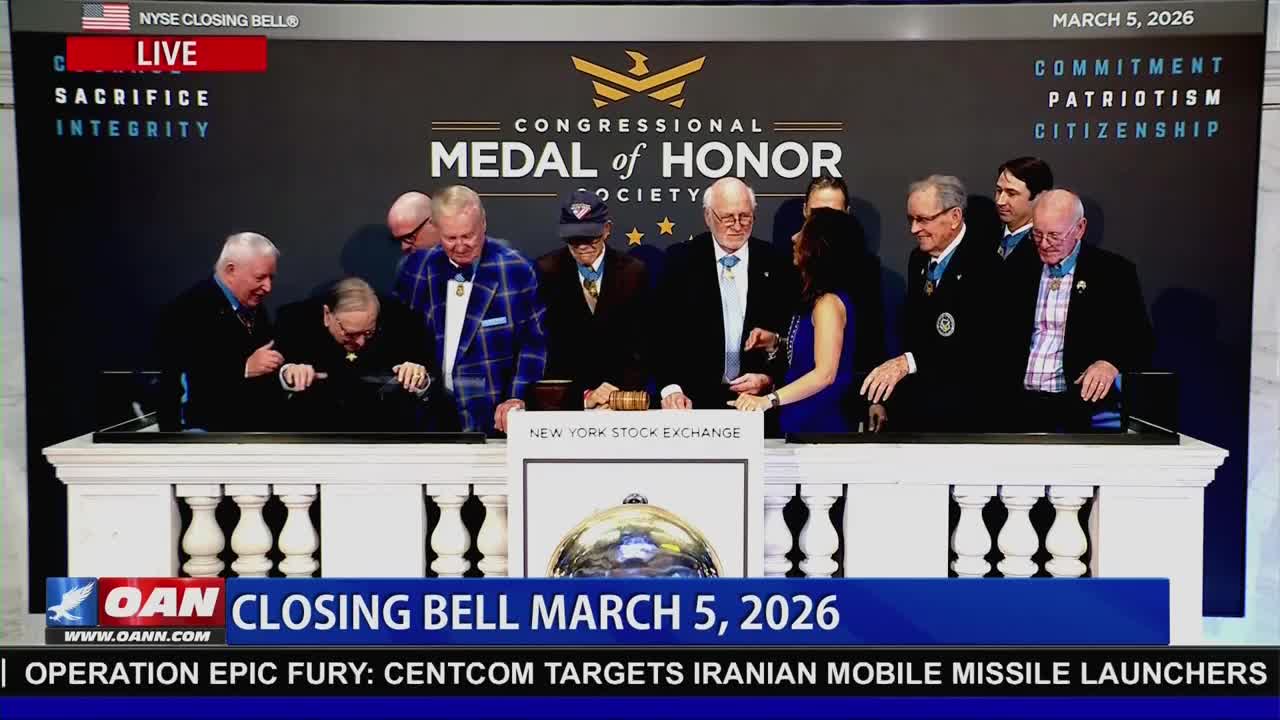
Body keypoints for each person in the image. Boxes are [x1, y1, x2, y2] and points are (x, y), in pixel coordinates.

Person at [393, 185, 547, 435]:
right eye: (450, 238)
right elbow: (402, 333)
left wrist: (517, 397)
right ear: (437, 230)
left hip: (494, 418)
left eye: (468, 236)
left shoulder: (516, 268)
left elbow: (534, 344)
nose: (460, 246)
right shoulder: (416, 268)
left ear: (483, 224)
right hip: (430, 416)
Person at [860, 175, 1002, 431]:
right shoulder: (918, 259)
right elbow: (914, 333)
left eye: (923, 219)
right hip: (918, 410)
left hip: (965, 417)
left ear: (955, 217)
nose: (914, 229)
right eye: (911, 219)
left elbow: (975, 346)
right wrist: (886, 400)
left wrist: (908, 362)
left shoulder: (986, 264)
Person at [1008, 189, 1154, 431]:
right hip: (1018, 405)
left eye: (1054, 236)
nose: (1044, 244)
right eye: (1037, 234)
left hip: (1079, 407)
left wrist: (1110, 363)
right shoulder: (1016, 268)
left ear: (1079, 228)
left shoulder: (1113, 273)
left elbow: (1140, 341)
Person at [654, 178, 794, 415]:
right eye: (728, 217)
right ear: (708, 217)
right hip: (693, 404)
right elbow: (660, 334)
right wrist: (671, 389)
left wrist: (768, 379)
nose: (737, 226)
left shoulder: (777, 263)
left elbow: (791, 339)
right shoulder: (680, 260)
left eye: (745, 217)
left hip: (757, 406)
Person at [729, 208, 858, 433]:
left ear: (819, 245)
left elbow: (825, 374)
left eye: (803, 232)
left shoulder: (828, 304)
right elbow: (810, 351)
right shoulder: (814, 299)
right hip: (799, 422)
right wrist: (775, 342)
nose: (794, 237)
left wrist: (768, 400)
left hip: (821, 428)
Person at [273, 277, 454, 431]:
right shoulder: (294, 324)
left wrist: (420, 379)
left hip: (385, 435)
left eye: (368, 332)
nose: (360, 342)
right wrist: (288, 374)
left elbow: (435, 387)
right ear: (328, 315)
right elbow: (268, 386)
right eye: (350, 334)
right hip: (314, 436)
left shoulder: (403, 325)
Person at [157, 232, 282, 431]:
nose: (268, 287)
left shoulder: (254, 306)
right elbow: (184, 381)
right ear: (231, 270)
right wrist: (244, 368)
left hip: (252, 431)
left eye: (271, 277)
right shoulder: (188, 311)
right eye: (260, 277)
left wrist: (285, 371)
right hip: (208, 435)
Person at [537, 191, 649, 409]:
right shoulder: (546, 272)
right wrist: (582, 396)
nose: (582, 246)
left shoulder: (633, 272)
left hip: (620, 401)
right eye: (574, 239)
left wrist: (617, 394)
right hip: (568, 404)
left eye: (590, 237)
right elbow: (544, 349)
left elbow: (642, 344)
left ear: (607, 229)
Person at [801, 175, 888, 432]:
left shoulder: (865, 270)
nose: (824, 222)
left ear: (847, 214)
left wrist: (874, 400)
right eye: (817, 213)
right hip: (793, 400)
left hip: (842, 404)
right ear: (805, 211)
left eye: (834, 214)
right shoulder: (789, 264)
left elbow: (872, 337)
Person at [993, 157, 1054, 276]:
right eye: (999, 191)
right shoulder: (984, 238)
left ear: (1040, 197)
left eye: (1011, 194)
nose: (1000, 201)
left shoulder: (1049, 248)